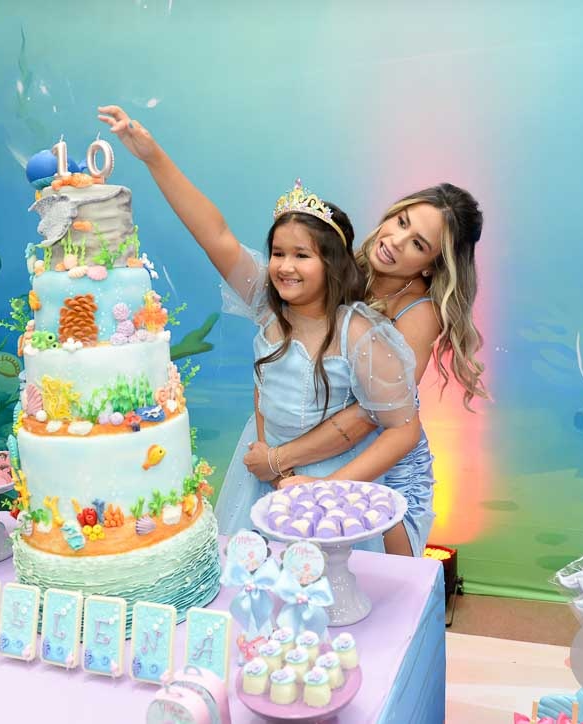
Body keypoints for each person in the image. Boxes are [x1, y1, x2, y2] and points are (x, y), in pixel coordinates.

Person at [97, 104, 422, 539]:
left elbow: (403, 430)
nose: (285, 266)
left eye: (302, 255)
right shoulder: (267, 305)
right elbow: (215, 234)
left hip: (330, 490)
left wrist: (324, 488)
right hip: (261, 475)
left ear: (334, 265)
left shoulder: (358, 333)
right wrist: (153, 157)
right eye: (279, 253)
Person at [243, 184, 487, 557]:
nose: (396, 241)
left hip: (382, 461)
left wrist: (283, 462)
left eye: (418, 244)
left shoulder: (419, 313)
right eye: (401, 222)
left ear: (431, 264)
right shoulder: (347, 268)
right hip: (320, 449)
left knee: (372, 573)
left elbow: (369, 416)